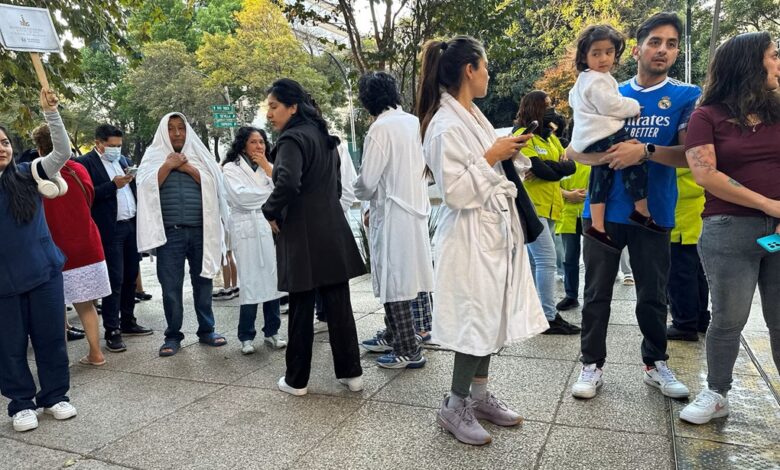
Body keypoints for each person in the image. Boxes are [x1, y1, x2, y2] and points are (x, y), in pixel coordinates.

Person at [416, 36, 548, 445]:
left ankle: (478, 394)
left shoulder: (471, 114)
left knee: (489, 315)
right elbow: (454, 190)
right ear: (469, 70)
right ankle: (454, 405)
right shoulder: (444, 123)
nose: (489, 74)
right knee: (474, 321)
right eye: (485, 66)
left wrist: (507, 151)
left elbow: (489, 163)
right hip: (469, 236)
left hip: (492, 230)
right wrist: (492, 155)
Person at [566, 12, 700, 400]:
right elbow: (579, 151)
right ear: (637, 47)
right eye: (655, 41)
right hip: (603, 214)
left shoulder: (686, 95)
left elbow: (691, 155)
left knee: (654, 297)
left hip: (652, 213)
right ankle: (591, 365)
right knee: (595, 296)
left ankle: (656, 363)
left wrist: (645, 151)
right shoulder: (603, 86)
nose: (663, 50)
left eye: (672, 44)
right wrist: (603, 157)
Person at [680, 31, 780, 424]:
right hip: (729, 229)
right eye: (773, 56)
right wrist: (769, 204)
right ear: (750, 63)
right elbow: (705, 174)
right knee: (728, 317)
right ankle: (717, 392)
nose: (778, 63)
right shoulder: (708, 116)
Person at [262, 78, 365, 396]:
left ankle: (297, 380)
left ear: (292, 107)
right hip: (331, 228)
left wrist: (270, 211)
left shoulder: (291, 139)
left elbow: (288, 183)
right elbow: (336, 186)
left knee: (301, 306)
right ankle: (352, 374)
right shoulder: (325, 137)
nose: (269, 114)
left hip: (302, 233)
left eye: (274, 106)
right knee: (339, 305)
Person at [0, 89, 77, 432]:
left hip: (44, 273)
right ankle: (21, 403)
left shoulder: (29, 173)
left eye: (3, 142)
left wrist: (52, 113)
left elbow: (62, 152)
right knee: (10, 346)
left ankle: (55, 396)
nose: (1, 147)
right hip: (4, 284)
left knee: (50, 338)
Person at [353, 71, 434, 369]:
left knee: (394, 281)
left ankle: (407, 349)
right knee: (406, 278)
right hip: (415, 212)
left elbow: (368, 179)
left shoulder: (380, 129)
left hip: (393, 215)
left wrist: (358, 193)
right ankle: (394, 334)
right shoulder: (414, 123)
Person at [136, 113, 229, 357]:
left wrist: (186, 167)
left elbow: (215, 184)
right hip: (170, 235)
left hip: (201, 231)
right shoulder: (154, 156)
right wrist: (168, 165)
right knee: (170, 288)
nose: (177, 133)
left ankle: (207, 329)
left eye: (181, 128)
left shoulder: (199, 154)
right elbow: (145, 187)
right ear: (163, 133)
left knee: (204, 282)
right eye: (171, 129)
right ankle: (173, 335)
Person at [569, 24, 663, 253]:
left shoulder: (583, 79)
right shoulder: (598, 79)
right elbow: (610, 104)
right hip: (604, 132)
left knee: (602, 173)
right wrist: (633, 106)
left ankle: (597, 225)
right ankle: (641, 210)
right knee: (634, 156)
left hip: (588, 137)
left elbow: (573, 100)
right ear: (584, 55)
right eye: (596, 53)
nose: (603, 58)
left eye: (609, 52)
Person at [31, 124, 109, 367]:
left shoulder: (36, 174)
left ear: (39, 147)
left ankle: (59, 362)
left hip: (54, 247)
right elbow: (90, 198)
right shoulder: (79, 169)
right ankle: (96, 353)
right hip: (87, 242)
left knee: (55, 310)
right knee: (86, 305)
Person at [77, 125, 152, 354]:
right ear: (98, 143)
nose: (116, 150)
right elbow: (86, 196)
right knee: (114, 279)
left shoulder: (121, 161)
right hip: (109, 229)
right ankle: (112, 329)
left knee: (131, 275)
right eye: (112, 146)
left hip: (130, 224)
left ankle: (128, 320)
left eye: (119, 146)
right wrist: (113, 186)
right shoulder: (86, 164)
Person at [515, 91, 579, 334]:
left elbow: (569, 165)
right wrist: (555, 167)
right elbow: (543, 171)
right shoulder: (524, 137)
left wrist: (554, 167)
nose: (553, 110)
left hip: (551, 207)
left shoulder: (550, 138)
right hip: (531, 208)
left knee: (535, 261)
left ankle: (533, 312)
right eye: (548, 106)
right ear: (535, 108)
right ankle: (548, 316)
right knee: (546, 259)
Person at [221, 126, 287, 354]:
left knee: (271, 279)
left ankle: (272, 332)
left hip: (267, 226)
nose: (259, 146)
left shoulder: (269, 167)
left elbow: (282, 188)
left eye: (262, 142)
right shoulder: (230, 168)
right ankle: (246, 335)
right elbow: (240, 197)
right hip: (245, 227)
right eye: (254, 142)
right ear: (242, 145)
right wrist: (270, 193)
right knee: (249, 281)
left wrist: (269, 173)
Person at [313, 140, 358, 335]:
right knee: (316, 274)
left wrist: (332, 215)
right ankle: (322, 313)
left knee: (334, 276)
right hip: (313, 223)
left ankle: (332, 316)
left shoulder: (335, 145)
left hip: (332, 219)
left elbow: (347, 187)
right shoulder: (300, 143)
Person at [666, 168, 710, 341]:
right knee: (697, 274)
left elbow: (670, 167)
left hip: (681, 217)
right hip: (694, 215)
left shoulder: (684, 153)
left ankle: (684, 323)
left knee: (679, 275)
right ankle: (700, 319)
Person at [555, 161, 590, 311]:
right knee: (569, 259)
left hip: (590, 214)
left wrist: (589, 193)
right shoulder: (563, 158)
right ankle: (571, 296)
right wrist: (568, 194)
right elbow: (552, 183)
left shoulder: (595, 156)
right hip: (567, 215)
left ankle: (592, 296)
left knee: (592, 260)